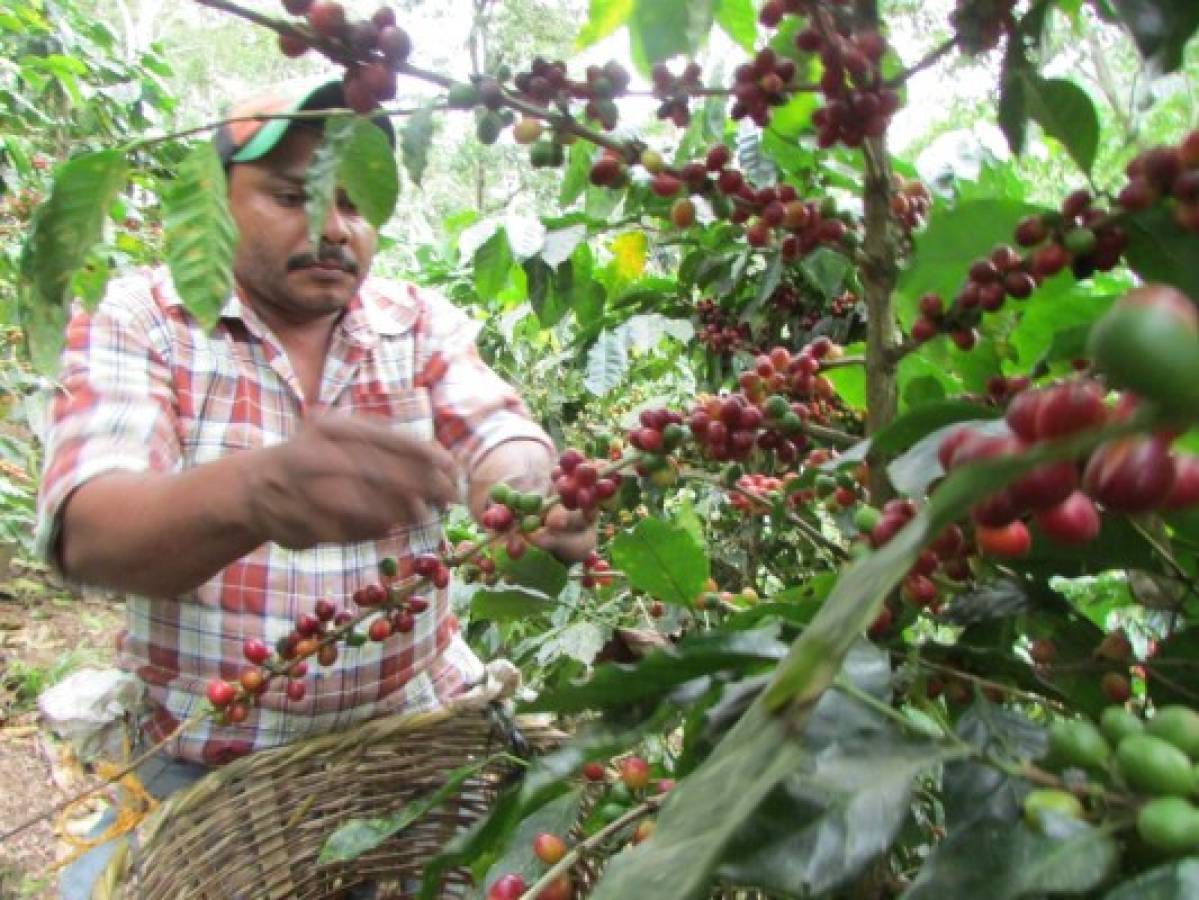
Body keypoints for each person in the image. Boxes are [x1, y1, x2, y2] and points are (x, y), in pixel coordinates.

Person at [37, 78, 594, 897]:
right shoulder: (142, 320)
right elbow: (90, 531)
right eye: (291, 196)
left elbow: (495, 428)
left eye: (355, 205)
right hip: (203, 771)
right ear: (214, 202)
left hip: (419, 744)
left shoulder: (415, 323)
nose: (334, 230)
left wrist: (527, 487)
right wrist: (251, 493)